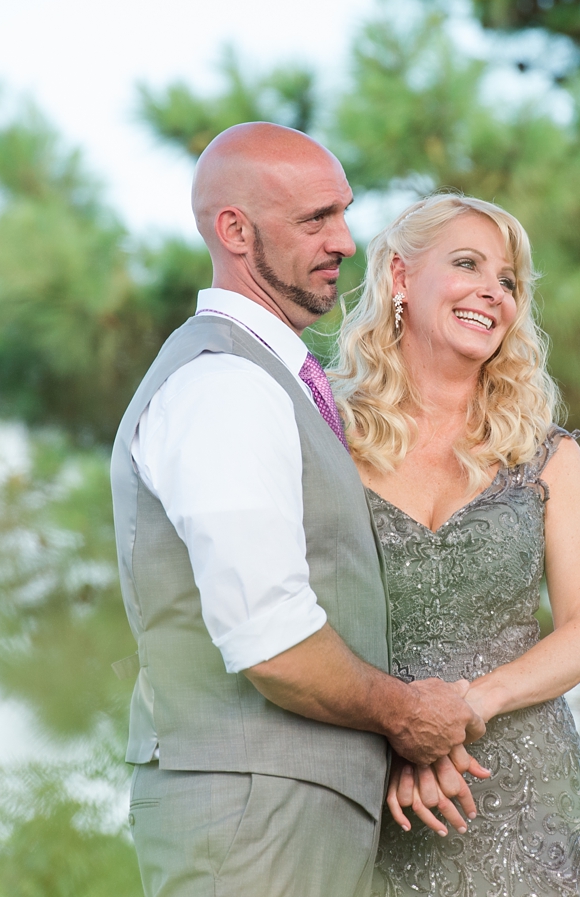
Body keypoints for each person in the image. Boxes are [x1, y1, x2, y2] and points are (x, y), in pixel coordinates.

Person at [109, 123, 487, 897]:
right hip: (251, 815)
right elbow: (270, 637)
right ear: (235, 231)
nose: (345, 241)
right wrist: (404, 714)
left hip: (284, 811)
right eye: (315, 219)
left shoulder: (279, 382)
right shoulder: (224, 384)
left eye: (344, 214)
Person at [330, 194, 580, 896]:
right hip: (366, 776)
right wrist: (395, 726)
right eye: (467, 264)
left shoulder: (547, 455)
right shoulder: (326, 434)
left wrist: (464, 709)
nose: (493, 290)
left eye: (509, 280)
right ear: (400, 276)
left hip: (516, 786)